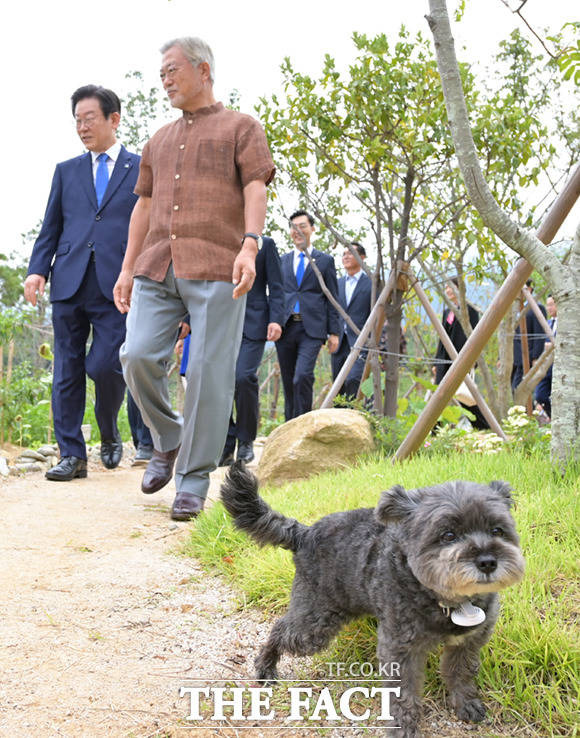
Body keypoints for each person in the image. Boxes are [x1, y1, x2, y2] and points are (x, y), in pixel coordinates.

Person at [115, 36, 275, 521]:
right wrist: (126, 267)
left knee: (207, 370)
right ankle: (168, 438)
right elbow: (142, 205)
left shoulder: (241, 128)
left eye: (172, 70)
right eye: (161, 73)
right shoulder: (158, 140)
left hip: (218, 265)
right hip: (157, 263)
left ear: (203, 70)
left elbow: (255, 186)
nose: (165, 80)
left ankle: (193, 479)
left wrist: (250, 245)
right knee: (136, 354)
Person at [24, 85, 141, 481]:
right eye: (77, 120)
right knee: (67, 369)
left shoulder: (140, 168)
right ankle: (72, 455)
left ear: (114, 119)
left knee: (107, 366)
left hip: (118, 285)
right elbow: (51, 226)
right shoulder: (67, 171)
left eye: (89, 118)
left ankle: (108, 429)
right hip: (69, 281)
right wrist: (37, 270)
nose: (82, 126)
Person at [220, 235, 284, 465]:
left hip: (254, 322)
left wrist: (276, 319)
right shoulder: (218, 237)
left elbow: (276, 286)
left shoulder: (265, 245)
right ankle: (226, 444)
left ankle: (245, 441)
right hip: (219, 321)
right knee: (220, 380)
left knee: (244, 377)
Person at [276, 210, 341, 421]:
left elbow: (332, 298)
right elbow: (276, 295)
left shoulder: (325, 261)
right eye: (293, 227)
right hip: (285, 328)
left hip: (311, 329)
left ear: (312, 229)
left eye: (302, 226)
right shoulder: (282, 261)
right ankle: (289, 427)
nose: (298, 231)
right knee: (288, 382)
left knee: (302, 376)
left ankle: (302, 424)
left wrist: (335, 332)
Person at [434, 278, 488, 429]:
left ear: (459, 289)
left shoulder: (470, 310)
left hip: (461, 359)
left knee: (464, 397)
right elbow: (442, 338)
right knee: (437, 396)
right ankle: (434, 430)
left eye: (451, 287)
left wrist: (471, 360)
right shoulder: (447, 311)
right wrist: (436, 361)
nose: (448, 290)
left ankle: (483, 426)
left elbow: (475, 336)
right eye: (446, 288)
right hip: (444, 361)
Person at [331, 243, 372, 400]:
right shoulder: (337, 283)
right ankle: (339, 422)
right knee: (338, 386)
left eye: (351, 253)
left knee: (354, 380)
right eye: (344, 254)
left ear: (362, 258)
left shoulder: (371, 283)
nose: (346, 256)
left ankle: (357, 418)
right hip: (339, 342)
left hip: (361, 342)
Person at [511, 279, 547, 392]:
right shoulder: (514, 309)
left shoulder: (537, 308)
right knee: (514, 390)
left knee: (520, 391)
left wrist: (536, 357)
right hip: (514, 358)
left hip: (528, 356)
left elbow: (539, 334)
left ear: (529, 290)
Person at [535, 294, 557, 421]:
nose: (549, 308)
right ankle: (553, 417)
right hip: (546, 366)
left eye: (552, 304)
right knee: (540, 395)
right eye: (547, 305)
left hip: (560, 366)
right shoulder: (547, 323)